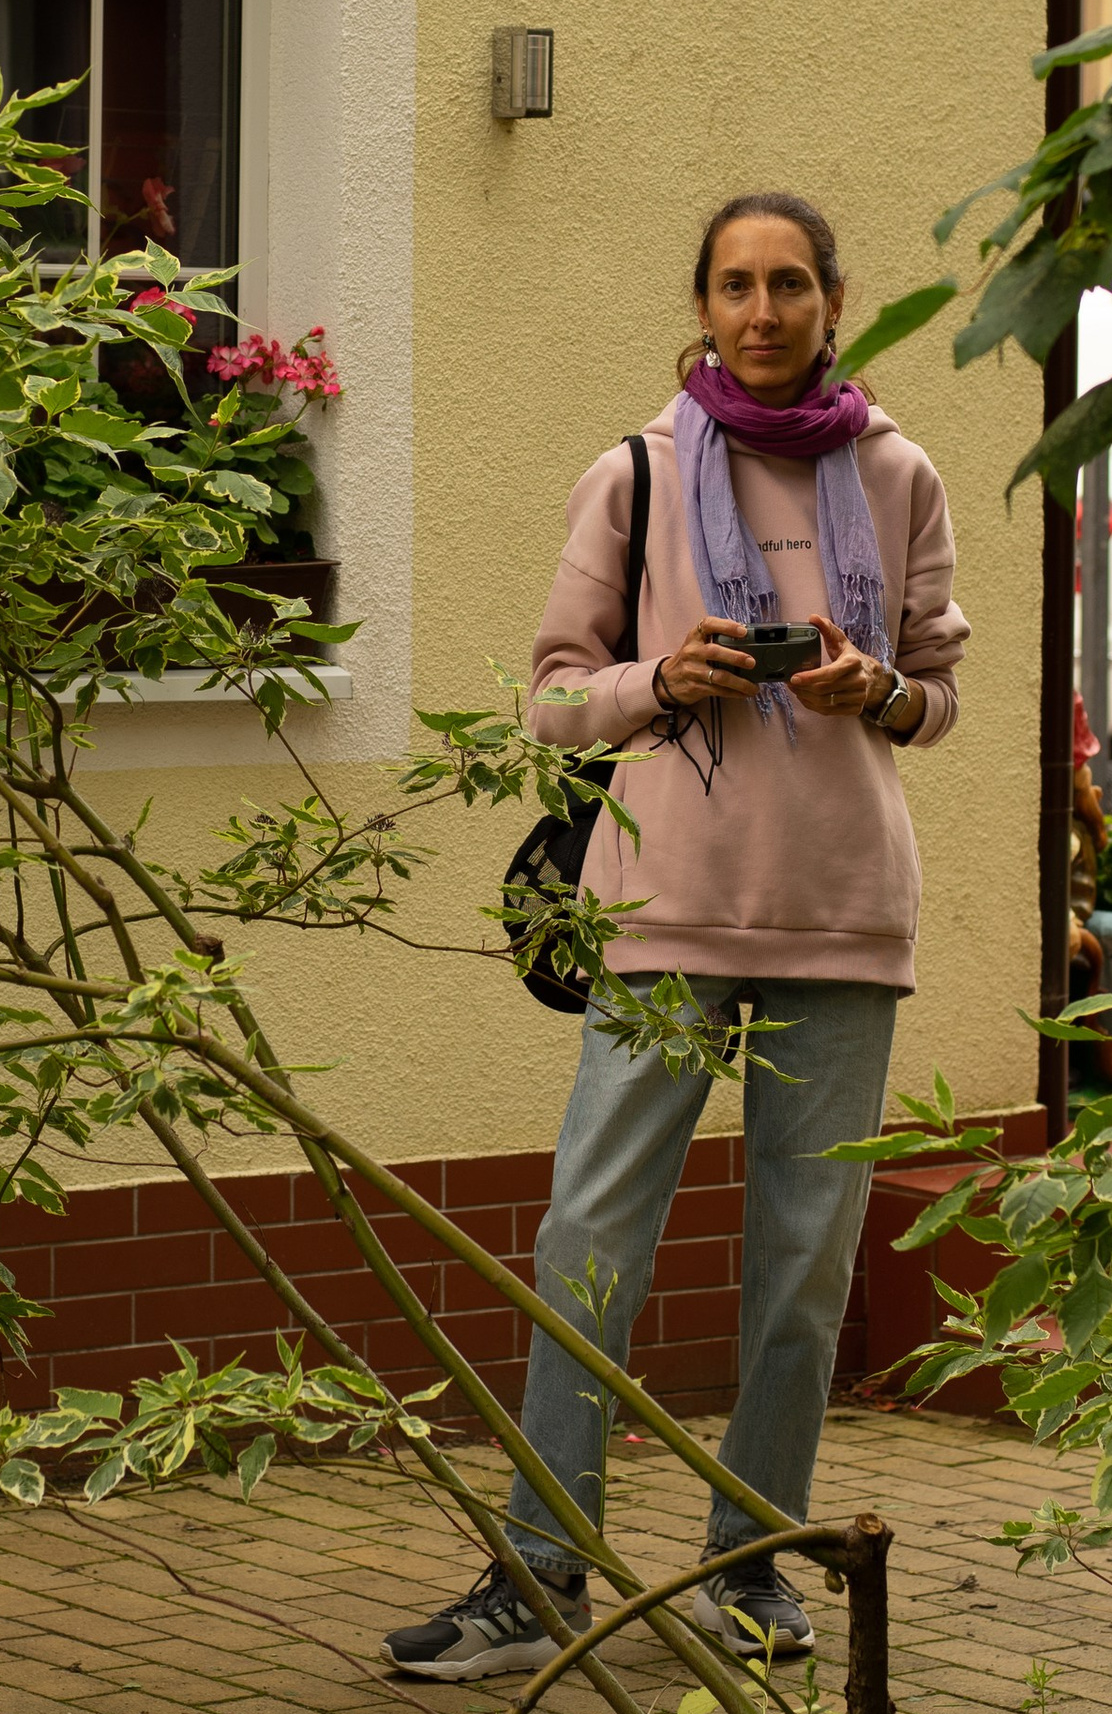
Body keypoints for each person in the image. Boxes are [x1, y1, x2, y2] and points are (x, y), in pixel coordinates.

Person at [383, 191, 969, 1680]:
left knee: (801, 1264)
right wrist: (664, 678)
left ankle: (755, 1569)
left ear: (835, 300)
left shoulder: (899, 475)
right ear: (701, 305)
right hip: (664, 917)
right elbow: (553, 694)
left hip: (844, 918)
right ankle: (539, 1576)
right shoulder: (636, 474)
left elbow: (941, 692)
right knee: (590, 1240)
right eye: (733, 286)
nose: (761, 311)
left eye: (788, 285)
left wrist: (876, 694)